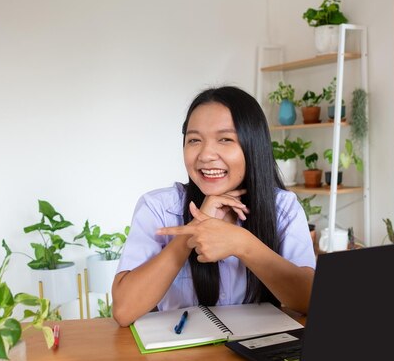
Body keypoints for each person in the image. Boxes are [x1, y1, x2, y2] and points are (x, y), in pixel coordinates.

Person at [111, 86, 316, 327]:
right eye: (194, 140)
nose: (206, 154)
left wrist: (242, 244)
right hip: (179, 358)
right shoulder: (158, 207)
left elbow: (309, 300)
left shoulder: (283, 207)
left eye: (225, 139)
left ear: (253, 145)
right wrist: (189, 236)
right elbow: (124, 311)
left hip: (259, 355)